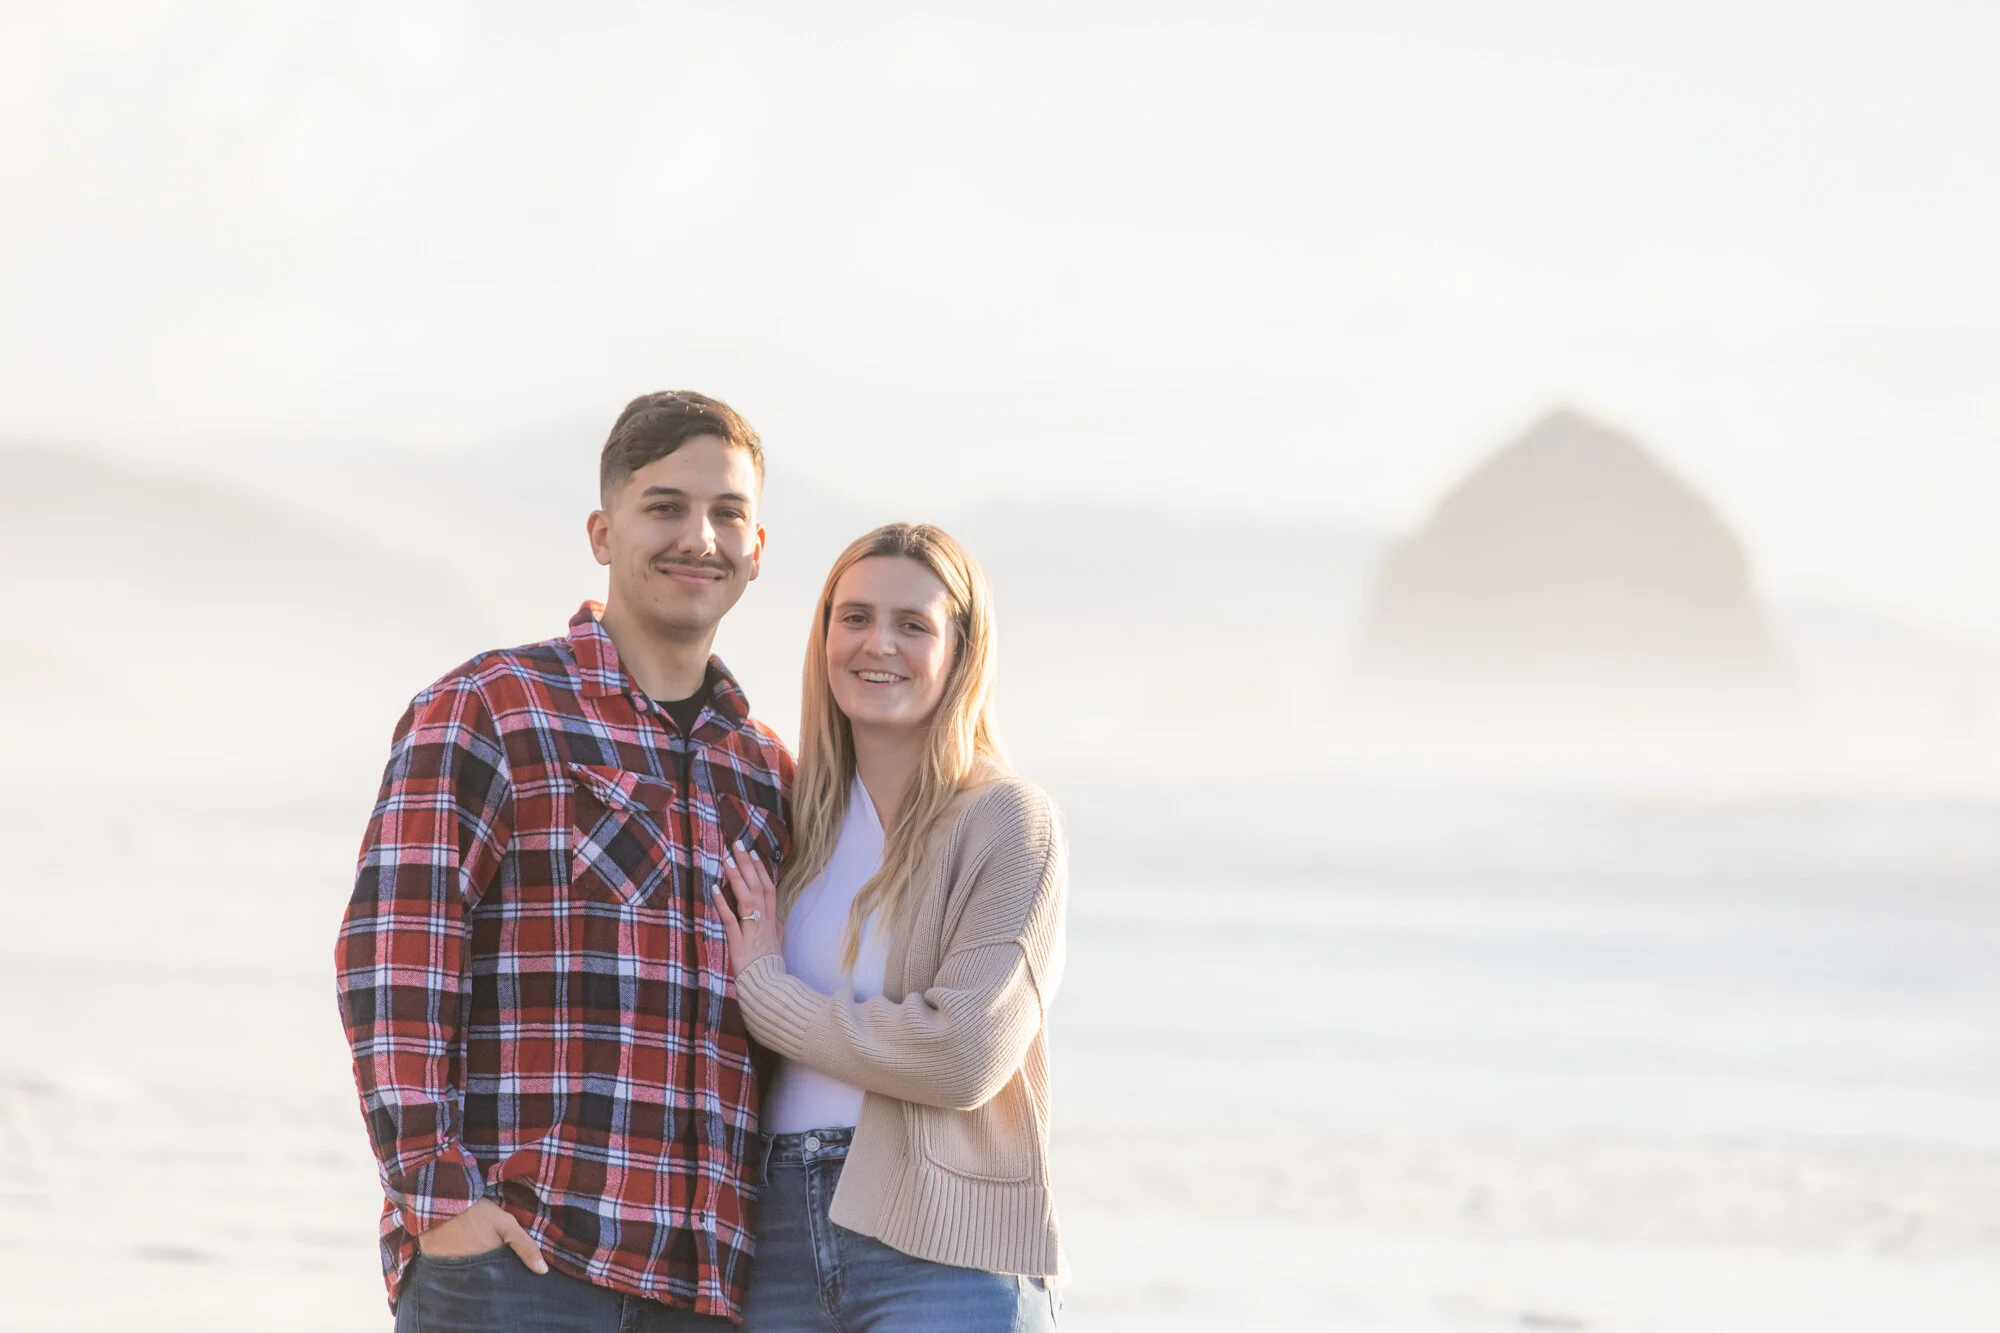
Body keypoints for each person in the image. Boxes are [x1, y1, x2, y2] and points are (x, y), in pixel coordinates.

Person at [334, 391, 793, 1331]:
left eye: (726, 513)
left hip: (707, 1290)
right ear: (602, 530)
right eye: (663, 506)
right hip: (523, 1267)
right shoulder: (493, 707)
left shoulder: (769, 773)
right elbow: (395, 958)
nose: (697, 536)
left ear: (757, 549)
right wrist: (440, 1196)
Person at [714, 522, 1068, 1332]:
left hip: (943, 1254)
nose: (880, 644)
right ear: (825, 634)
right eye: (856, 617)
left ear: (960, 650)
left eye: (914, 624)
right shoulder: (789, 819)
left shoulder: (1009, 822)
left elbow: (963, 1052)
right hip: (771, 1246)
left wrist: (771, 997)